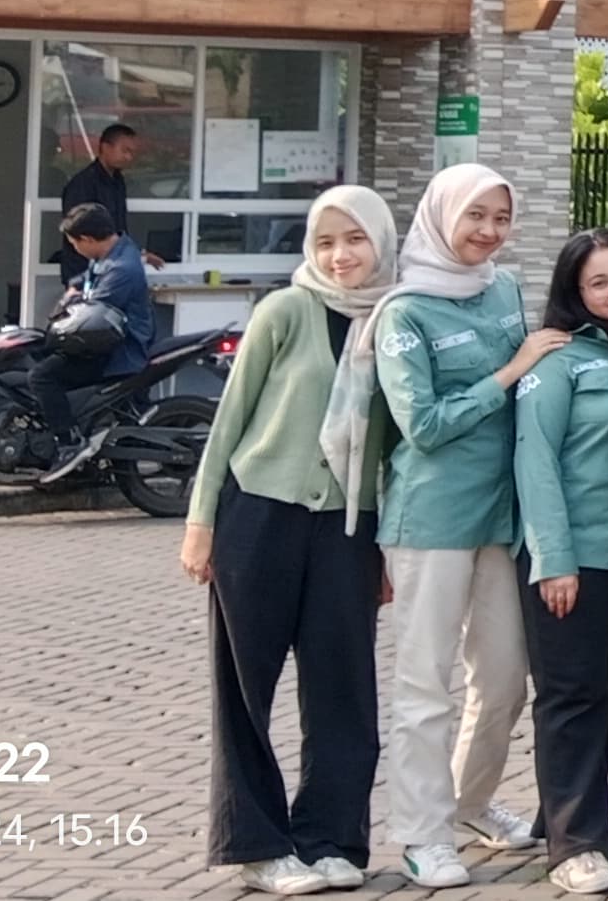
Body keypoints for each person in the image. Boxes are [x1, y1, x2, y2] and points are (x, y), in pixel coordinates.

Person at [186, 186, 397, 897]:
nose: (341, 255)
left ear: (381, 243)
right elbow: (229, 422)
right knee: (246, 690)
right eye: (326, 241)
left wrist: (384, 548)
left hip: (347, 526)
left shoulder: (396, 322)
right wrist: (201, 522)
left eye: (355, 239)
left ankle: (332, 838)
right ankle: (257, 847)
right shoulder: (284, 310)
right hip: (259, 517)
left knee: (346, 690)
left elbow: (396, 449)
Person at [360, 165, 554, 889]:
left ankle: (469, 803)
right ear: (443, 217)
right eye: (476, 216)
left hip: (501, 515)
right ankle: (421, 833)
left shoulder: (501, 288)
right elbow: (425, 426)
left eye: (501, 218)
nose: (489, 232)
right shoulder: (404, 311)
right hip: (430, 520)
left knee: (505, 679)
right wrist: (508, 373)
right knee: (423, 688)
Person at [513, 231, 608, 897]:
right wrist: (554, 559)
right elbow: (534, 462)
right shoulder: (558, 361)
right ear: (575, 294)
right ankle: (575, 846)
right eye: (601, 282)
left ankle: (564, 815)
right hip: (572, 560)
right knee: (572, 697)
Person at [38, 206, 158, 465]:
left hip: (117, 351)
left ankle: (68, 444)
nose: (74, 249)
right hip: (106, 341)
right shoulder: (116, 251)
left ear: (88, 240)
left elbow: (92, 314)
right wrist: (76, 286)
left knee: (42, 376)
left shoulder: (121, 270)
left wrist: (66, 307)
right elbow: (87, 280)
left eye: (74, 243)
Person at [55, 121, 142, 264]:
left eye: (132, 153)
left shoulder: (117, 181)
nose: (129, 157)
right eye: (125, 151)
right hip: (84, 268)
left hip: (112, 264)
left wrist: (136, 253)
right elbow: (78, 231)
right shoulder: (83, 183)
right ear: (106, 147)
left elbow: (119, 227)